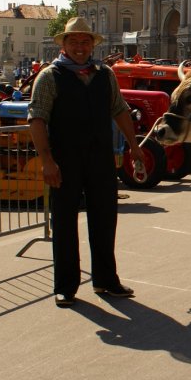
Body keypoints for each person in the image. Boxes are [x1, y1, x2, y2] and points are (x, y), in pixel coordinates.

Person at [28, 17, 145, 307]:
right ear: (64, 45)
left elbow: (119, 109)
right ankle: (65, 287)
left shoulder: (104, 74)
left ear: (92, 45)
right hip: (64, 160)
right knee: (65, 222)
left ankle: (106, 280)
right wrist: (47, 161)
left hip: (100, 158)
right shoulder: (49, 76)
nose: (80, 47)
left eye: (85, 42)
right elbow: (37, 118)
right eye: (74, 41)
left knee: (105, 220)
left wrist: (135, 147)